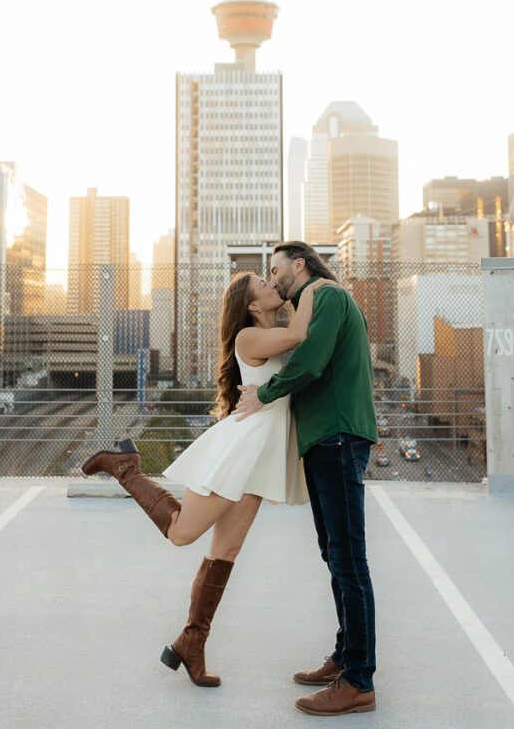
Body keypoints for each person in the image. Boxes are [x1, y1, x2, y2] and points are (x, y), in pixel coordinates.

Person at [81, 269, 338, 688]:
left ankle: (191, 642)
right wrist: (317, 286)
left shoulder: (273, 328)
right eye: (263, 283)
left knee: (227, 550)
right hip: (242, 451)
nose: (273, 283)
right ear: (253, 305)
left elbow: (297, 348)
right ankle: (125, 466)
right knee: (182, 532)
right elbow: (299, 337)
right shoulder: (248, 338)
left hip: (264, 458)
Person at [235, 240, 379, 717]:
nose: (273, 280)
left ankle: (358, 680)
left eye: (275, 270)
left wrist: (265, 394)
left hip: (337, 435)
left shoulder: (328, 295)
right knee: (334, 553)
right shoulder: (313, 299)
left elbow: (312, 360)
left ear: (299, 264)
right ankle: (345, 657)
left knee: (348, 559)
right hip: (324, 439)